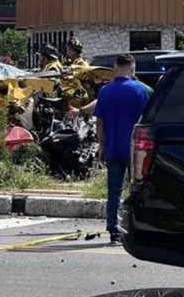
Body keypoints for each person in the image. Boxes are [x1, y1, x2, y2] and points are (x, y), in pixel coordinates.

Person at [68, 54, 148, 244]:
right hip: (135, 150)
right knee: (138, 190)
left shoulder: (105, 91)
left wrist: (102, 146)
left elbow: (100, 122)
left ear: (115, 67)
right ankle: (137, 228)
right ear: (132, 67)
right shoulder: (142, 90)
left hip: (112, 148)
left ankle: (113, 229)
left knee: (114, 191)